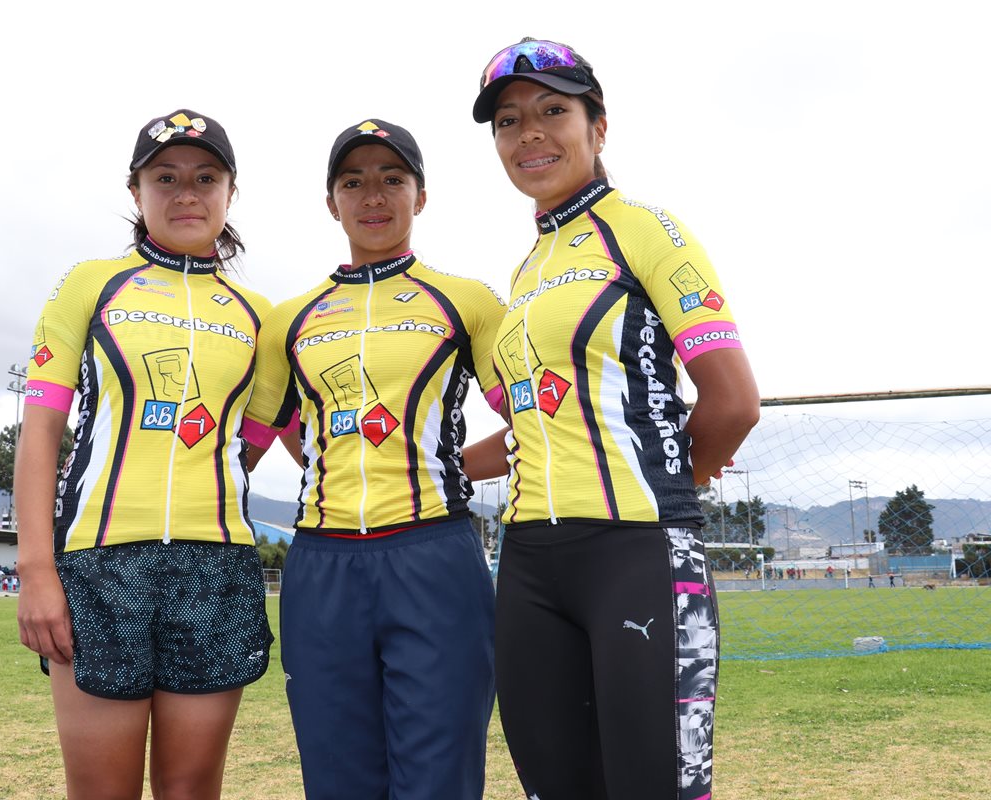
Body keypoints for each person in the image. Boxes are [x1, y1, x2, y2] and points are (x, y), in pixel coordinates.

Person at [471, 39, 760, 800]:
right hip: (528, 564)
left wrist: (665, 482)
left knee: (652, 788)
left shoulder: (647, 230)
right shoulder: (527, 271)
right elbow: (546, 424)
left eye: (553, 111)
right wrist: (441, 467)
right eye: (508, 121)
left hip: (636, 552)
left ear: (599, 127)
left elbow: (732, 403)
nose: (529, 133)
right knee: (555, 786)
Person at [14, 109, 273, 800]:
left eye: (205, 178)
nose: (186, 193)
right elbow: (39, 431)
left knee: (191, 792)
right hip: (99, 566)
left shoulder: (259, 314)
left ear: (230, 191)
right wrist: (37, 569)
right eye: (166, 178)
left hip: (216, 569)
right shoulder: (89, 284)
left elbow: (271, 428)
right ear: (136, 191)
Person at [243, 119, 505, 800]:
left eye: (393, 179)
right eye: (353, 182)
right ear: (331, 202)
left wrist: (443, 469)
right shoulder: (291, 317)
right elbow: (254, 440)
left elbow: (536, 427)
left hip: (434, 559)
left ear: (422, 196)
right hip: (321, 567)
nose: (374, 196)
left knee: (438, 778)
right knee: (337, 780)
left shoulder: (468, 301)